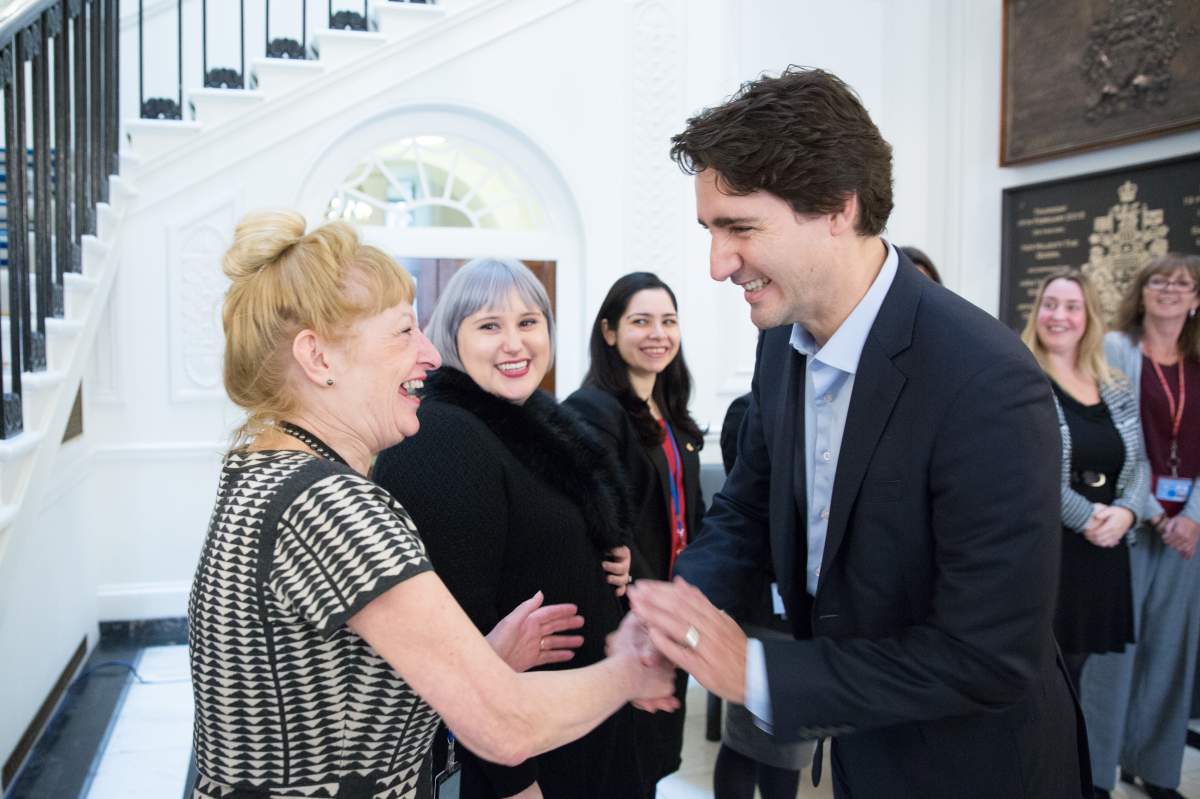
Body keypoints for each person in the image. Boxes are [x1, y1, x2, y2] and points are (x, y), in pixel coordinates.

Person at [625, 66, 1091, 798]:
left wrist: (753, 671)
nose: (717, 265)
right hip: (864, 752)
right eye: (711, 230)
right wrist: (671, 615)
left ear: (839, 207)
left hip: (980, 769)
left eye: (740, 227)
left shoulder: (987, 381)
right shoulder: (782, 345)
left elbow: (989, 657)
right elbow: (748, 509)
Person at [188, 214, 674, 799]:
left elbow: (329, 694)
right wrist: (635, 669)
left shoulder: (259, 471)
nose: (428, 353)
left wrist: (482, 658)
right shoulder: (332, 506)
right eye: (402, 333)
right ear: (318, 358)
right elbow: (504, 725)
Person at [373, 258, 648, 799]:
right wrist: (515, 784)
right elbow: (460, 649)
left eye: (528, 322)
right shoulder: (442, 435)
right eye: (489, 326)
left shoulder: (535, 418)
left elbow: (564, 529)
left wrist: (612, 558)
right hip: (526, 755)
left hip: (580, 727)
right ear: (452, 337)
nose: (515, 343)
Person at [564, 272, 704, 796]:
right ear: (609, 332)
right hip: (631, 615)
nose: (657, 334)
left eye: (668, 321)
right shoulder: (594, 410)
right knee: (625, 763)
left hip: (675, 605)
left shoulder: (671, 415)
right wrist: (655, 597)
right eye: (640, 321)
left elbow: (692, 514)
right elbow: (600, 516)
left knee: (655, 754)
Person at [1081, 253, 1200, 799]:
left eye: (1183, 284)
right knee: (1115, 653)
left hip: (1189, 532)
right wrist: (1152, 507)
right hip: (1129, 518)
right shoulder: (1115, 350)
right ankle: (1098, 770)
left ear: (1197, 299)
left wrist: (1193, 516)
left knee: (1172, 652)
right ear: (1142, 291)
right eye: (1159, 281)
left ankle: (1154, 768)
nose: (1170, 290)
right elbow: (1118, 432)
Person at [1019, 269, 1146, 695]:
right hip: (1050, 550)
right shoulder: (1019, 378)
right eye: (1050, 305)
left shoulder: (1115, 385)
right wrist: (1088, 515)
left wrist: (1127, 513)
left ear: (1089, 317)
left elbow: (1140, 463)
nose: (1059, 316)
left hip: (1103, 553)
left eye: (1072, 307)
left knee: (1076, 677)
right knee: (1042, 678)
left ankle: (1066, 761)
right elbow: (1025, 469)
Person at [708, 393, 813, 799]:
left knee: (784, 747)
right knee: (754, 739)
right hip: (763, 600)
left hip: (802, 606)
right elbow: (745, 501)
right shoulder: (750, 408)